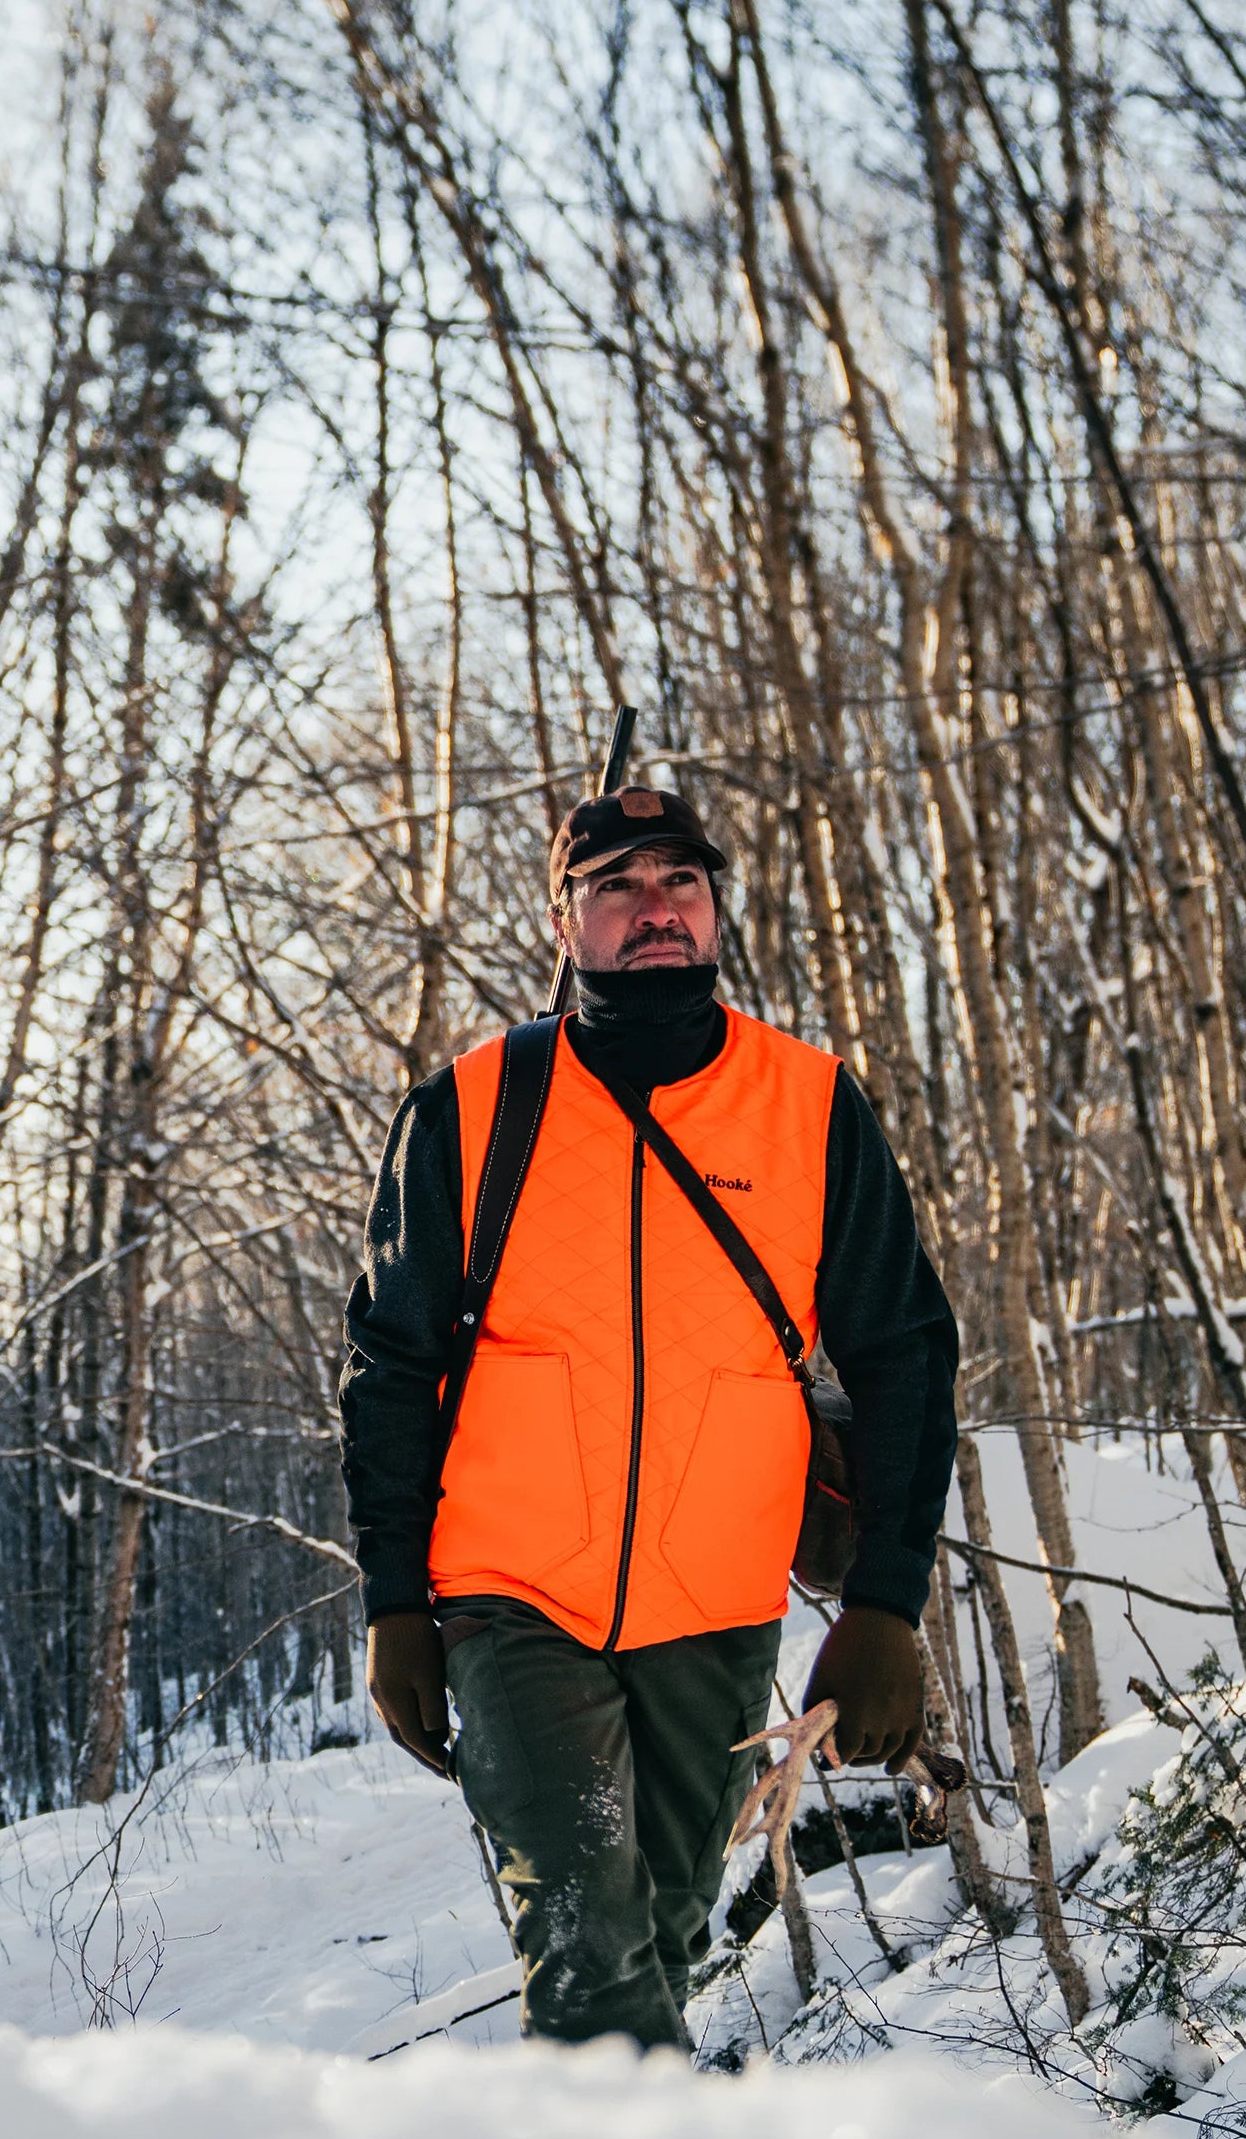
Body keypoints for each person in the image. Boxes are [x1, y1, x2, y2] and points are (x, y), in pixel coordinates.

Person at [337, 779, 959, 2050]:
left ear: (716, 906)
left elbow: (904, 1356)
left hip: (718, 1613)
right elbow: (388, 1367)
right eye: (615, 885)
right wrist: (398, 1599)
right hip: (509, 1601)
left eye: (679, 881)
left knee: (661, 1946)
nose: (654, 909)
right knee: (588, 1963)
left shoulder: (809, 1104)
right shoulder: (469, 1108)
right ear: (564, 920)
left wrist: (886, 1602)